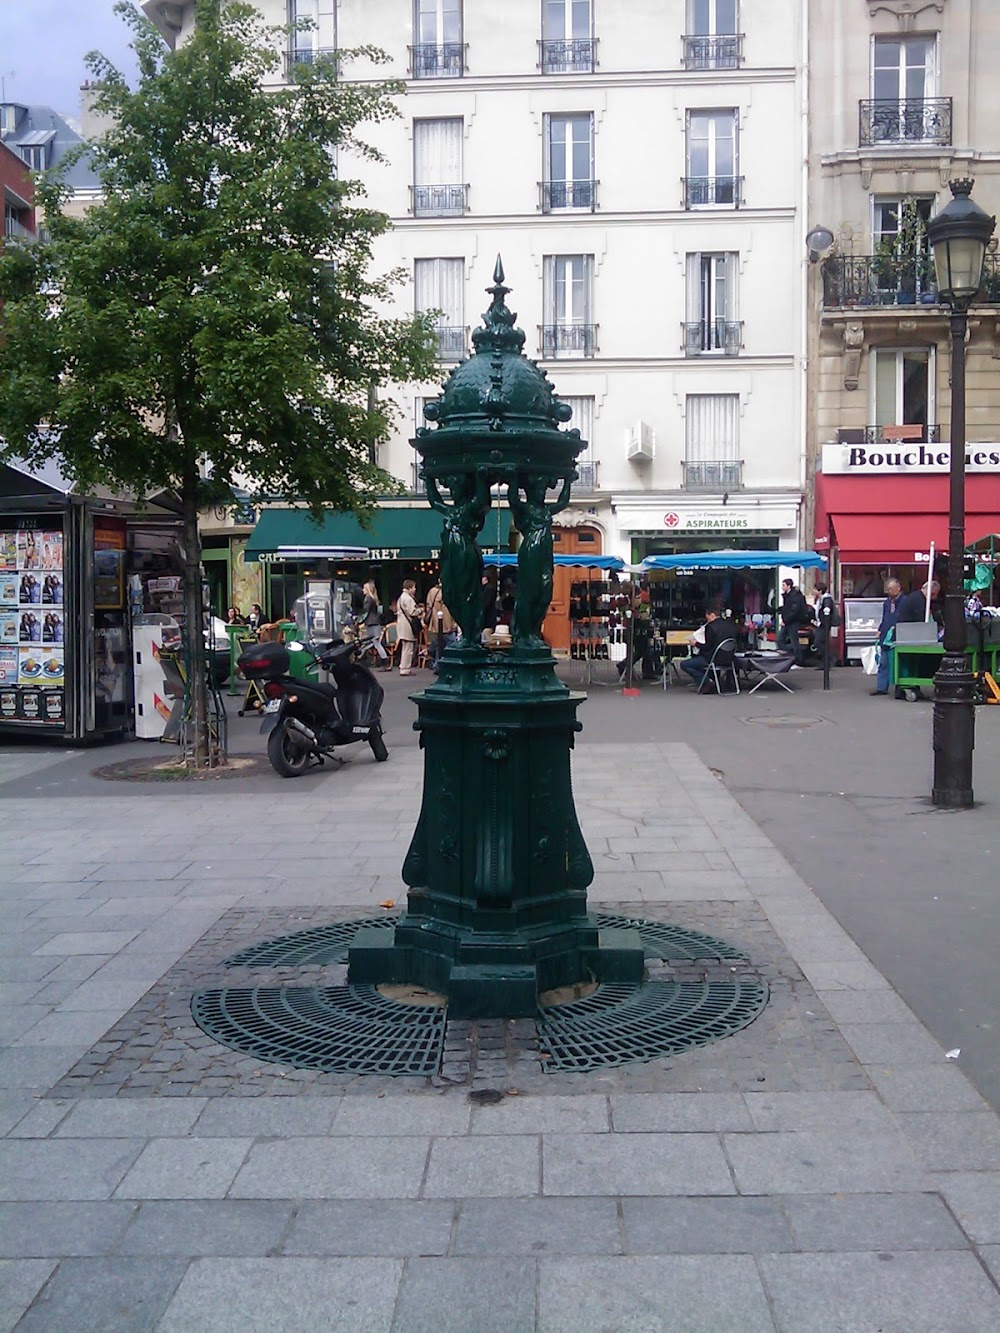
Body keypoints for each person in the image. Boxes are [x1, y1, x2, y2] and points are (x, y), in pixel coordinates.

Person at [894, 580, 941, 701]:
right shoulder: (918, 600)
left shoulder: (915, 597)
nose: (934, 598)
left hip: (907, 634)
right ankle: (906, 686)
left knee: (911, 663)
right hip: (909, 636)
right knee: (909, 663)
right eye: (934, 594)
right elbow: (920, 619)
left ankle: (910, 686)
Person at [680, 609, 735, 689]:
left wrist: (696, 644)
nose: (707, 620)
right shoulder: (730, 625)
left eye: (707, 618)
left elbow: (707, 647)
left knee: (685, 664)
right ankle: (712, 680)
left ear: (712, 615)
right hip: (729, 658)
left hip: (713, 658)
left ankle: (706, 681)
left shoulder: (711, 627)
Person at [871, 577, 903, 697]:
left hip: (898, 634)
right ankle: (881, 687)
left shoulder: (904, 601)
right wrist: (880, 630)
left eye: (891, 589)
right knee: (883, 662)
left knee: (898, 663)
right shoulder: (887, 602)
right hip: (885, 635)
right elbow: (884, 617)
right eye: (887, 589)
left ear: (898, 588)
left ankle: (899, 687)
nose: (889, 591)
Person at [778, 578, 812, 664]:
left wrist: (785, 620)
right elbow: (787, 608)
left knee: (794, 641)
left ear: (789, 586)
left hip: (794, 621)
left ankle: (798, 660)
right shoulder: (787, 595)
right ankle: (787, 657)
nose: (782, 587)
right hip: (788, 621)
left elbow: (794, 610)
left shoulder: (795, 596)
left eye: (783, 585)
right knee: (780, 639)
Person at [361, 579, 389, 665]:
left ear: (368, 589)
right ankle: (360, 656)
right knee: (372, 642)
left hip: (371, 623)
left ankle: (359, 657)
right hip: (375, 622)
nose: (363, 590)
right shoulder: (374, 598)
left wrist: (359, 621)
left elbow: (365, 612)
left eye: (364, 588)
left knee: (373, 642)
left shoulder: (368, 598)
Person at [396, 579, 420, 676]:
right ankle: (406, 668)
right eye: (414, 587)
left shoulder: (401, 597)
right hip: (408, 625)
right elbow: (412, 612)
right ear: (409, 588)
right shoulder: (409, 599)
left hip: (401, 624)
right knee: (408, 648)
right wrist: (420, 610)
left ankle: (403, 666)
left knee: (405, 647)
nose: (415, 589)